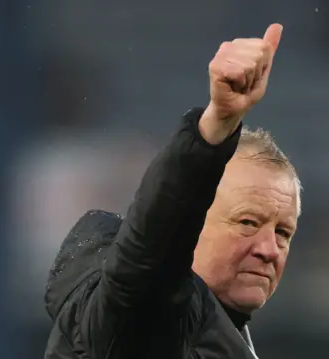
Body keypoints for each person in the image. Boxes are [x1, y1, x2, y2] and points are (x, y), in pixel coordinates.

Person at [44, 23, 301, 359]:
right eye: (248, 223)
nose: (269, 249)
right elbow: (146, 260)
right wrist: (215, 127)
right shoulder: (142, 319)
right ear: (190, 224)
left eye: (283, 232)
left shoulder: (215, 333)